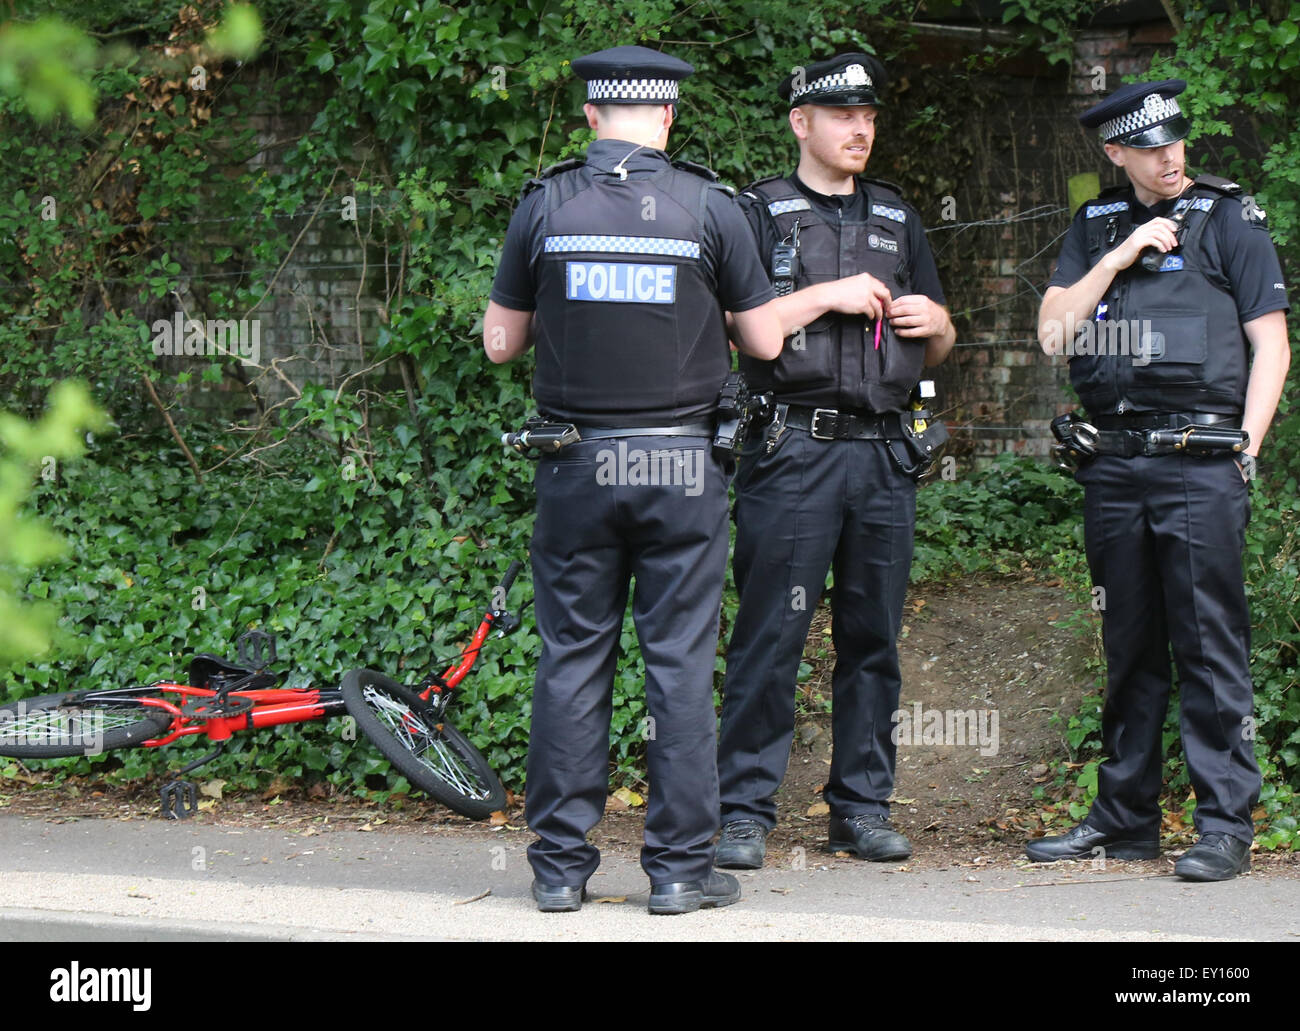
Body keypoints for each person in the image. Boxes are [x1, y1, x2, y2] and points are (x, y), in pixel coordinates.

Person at [483, 45, 782, 913]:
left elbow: (501, 343)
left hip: (575, 463)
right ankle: (682, 871)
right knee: (681, 666)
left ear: (590, 118)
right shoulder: (710, 207)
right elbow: (764, 344)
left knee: (573, 658)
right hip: (682, 467)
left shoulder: (545, 206)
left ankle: (558, 871)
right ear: (667, 118)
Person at [1027, 79, 1290, 881]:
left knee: (1209, 644)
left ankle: (1223, 823)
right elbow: (1051, 335)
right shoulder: (1094, 225)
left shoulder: (1231, 219)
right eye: (1149, 147)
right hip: (1115, 465)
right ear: (1116, 153)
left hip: (1201, 462)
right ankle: (1126, 817)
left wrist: (1248, 447)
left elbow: (1271, 345)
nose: (1169, 156)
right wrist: (1117, 255)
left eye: (1175, 140)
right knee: (1129, 641)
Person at [713, 52, 955, 870]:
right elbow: (732, 328)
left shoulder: (897, 216)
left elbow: (944, 339)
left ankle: (861, 807)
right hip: (793, 449)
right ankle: (743, 812)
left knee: (873, 640)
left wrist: (936, 321)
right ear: (801, 122)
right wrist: (828, 293)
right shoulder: (756, 213)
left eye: (870, 115)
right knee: (769, 635)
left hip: (885, 453)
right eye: (843, 113)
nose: (861, 127)